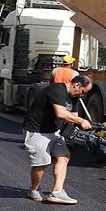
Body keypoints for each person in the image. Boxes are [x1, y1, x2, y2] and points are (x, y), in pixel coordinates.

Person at [23, 74, 93, 204]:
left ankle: (57, 192)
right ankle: (33, 190)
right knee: (41, 163)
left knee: (64, 156)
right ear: (77, 85)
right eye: (83, 91)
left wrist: (82, 126)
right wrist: (82, 120)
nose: (83, 95)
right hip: (37, 130)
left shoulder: (75, 97)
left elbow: (73, 116)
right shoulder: (57, 90)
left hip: (54, 131)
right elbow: (61, 113)